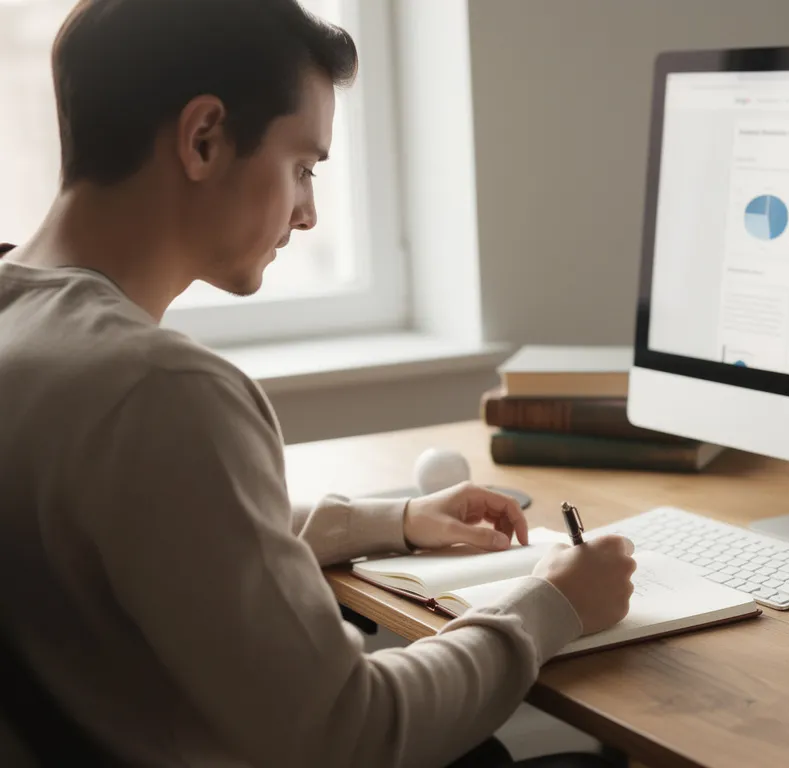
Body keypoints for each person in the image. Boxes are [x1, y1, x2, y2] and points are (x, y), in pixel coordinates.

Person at [0, 0, 636, 766]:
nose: (306, 214)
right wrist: (553, 604)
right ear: (203, 138)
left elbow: (156, 537)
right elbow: (350, 733)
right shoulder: (158, 389)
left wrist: (390, 520)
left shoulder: (30, 334)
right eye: (302, 167)